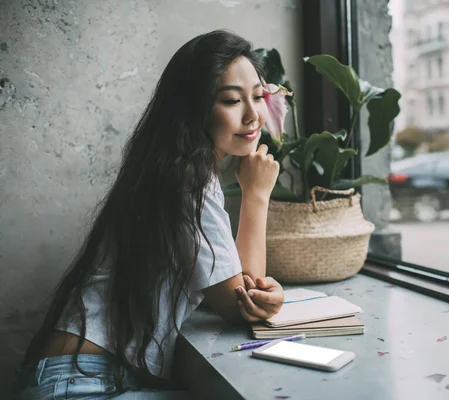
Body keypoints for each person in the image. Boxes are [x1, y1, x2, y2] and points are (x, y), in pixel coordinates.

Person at [14, 29, 285, 399]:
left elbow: (233, 291)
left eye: (257, 96)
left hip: (79, 376)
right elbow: (241, 302)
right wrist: (257, 194)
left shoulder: (171, 169)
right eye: (231, 100)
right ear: (194, 107)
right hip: (82, 384)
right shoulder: (187, 179)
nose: (253, 115)